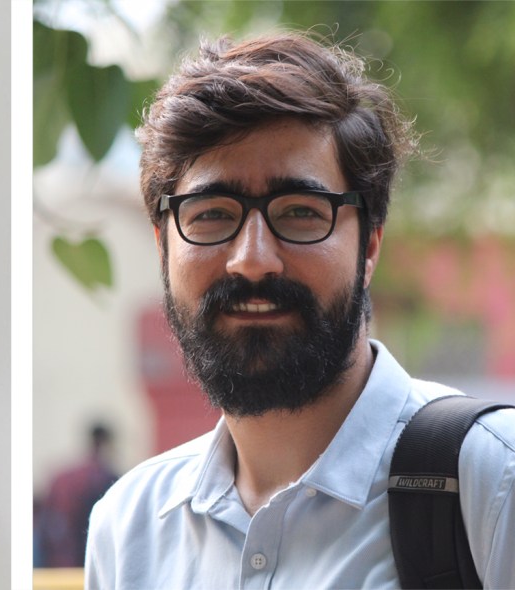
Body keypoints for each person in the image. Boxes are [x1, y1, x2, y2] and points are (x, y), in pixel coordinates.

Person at [84, 32, 515, 588]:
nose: (252, 260)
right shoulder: (129, 527)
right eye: (212, 214)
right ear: (163, 246)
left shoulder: (491, 483)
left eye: (301, 213)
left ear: (370, 246)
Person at [36, 423, 119, 567]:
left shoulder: (62, 477)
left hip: (57, 563)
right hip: (87, 563)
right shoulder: (106, 478)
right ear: (106, 443)